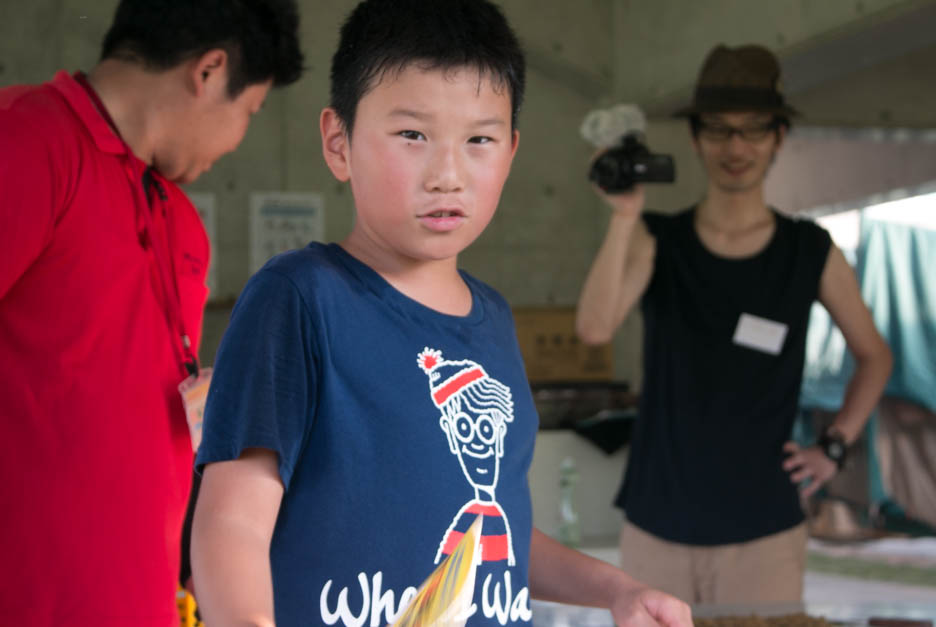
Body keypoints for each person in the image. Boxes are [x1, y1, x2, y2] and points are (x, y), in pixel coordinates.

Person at [189, 1, 692, 626]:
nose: (447, 175)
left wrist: (616, 590)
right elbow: (231, 523)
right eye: (412, 135)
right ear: (339, 143)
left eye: (479, 140)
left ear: (510, 152)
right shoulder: (298, 299)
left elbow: (495, 533)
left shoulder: (494, 321)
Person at [0, 1, 303, 625]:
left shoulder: (180, 223)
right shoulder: (28, 144)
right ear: (210, 71)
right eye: (249, 112)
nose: (239, 139)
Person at [575, 44, 893, 604]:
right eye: (719, 129)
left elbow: (876, 355)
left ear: (778, 137)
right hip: (658, 523)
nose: (736, 146)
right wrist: (624, 217)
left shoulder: (809, 250)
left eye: (753, 129)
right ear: (696, 137)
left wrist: (834, 446)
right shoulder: (657, 238)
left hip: (763, 530)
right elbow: (595, 329)